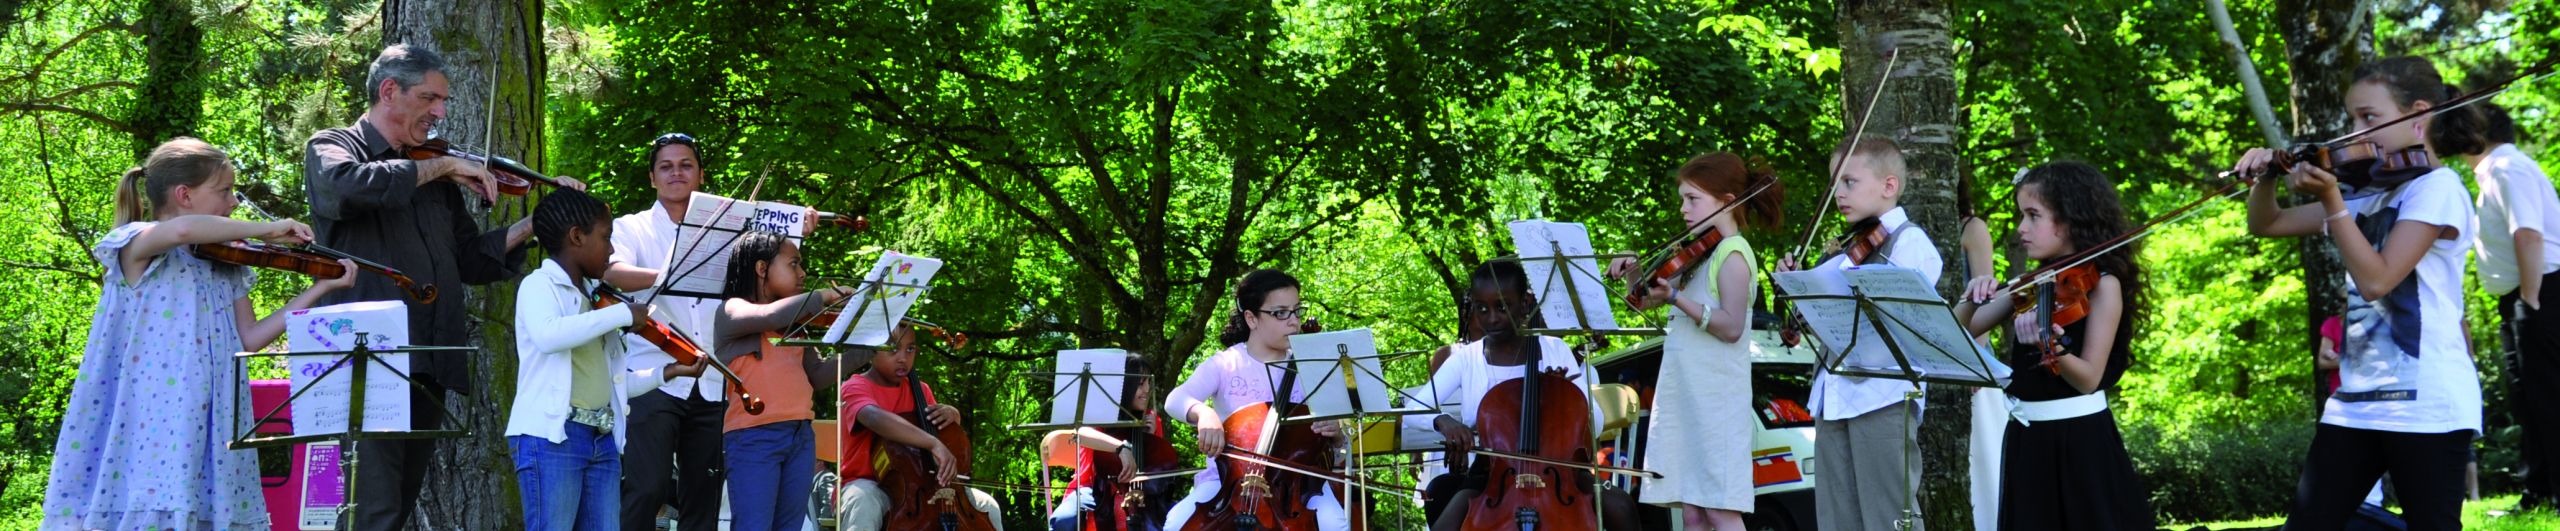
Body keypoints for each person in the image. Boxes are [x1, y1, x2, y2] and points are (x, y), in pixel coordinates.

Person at [301, 43, 585, 529]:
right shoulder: (334, 145)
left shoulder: (433, 175)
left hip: (427, 356)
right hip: (363, 358)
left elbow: (470, 261)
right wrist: (445, 166)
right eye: (430, 98)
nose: (440, 112)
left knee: (400, 503)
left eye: (444, 101)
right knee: (372, 509)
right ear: (389, 91)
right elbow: (347, 187)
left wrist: (533, 226)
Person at [43, 138, 357, 530]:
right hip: (153, 420)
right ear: (184, 195)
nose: (234, 202)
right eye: (224, 191)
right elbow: (183, 230)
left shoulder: (227, 263)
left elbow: (250, 338)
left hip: (214, 416)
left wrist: (319, 289)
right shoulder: (139, 244)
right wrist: (271, 228)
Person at [2232, 55, 2479, 531]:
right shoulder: (2366, 191)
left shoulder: (2438, 187)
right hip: (2358, 401)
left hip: (2427, 400)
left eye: (2370, 117)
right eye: (2351, 118)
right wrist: (2266, 177)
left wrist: (2332, 201)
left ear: (2419, 116)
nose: (2353, 131)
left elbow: (2378, 279)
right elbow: (2270, 223)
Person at [1955, 161, 2156, 530]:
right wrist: (1973, 295)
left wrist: (2053, 350)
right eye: (2021, 215)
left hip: (2079, 442)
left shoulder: (2103, 284)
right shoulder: (2030, 283)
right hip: (2027, 438)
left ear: (2071, 218)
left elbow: (2089, 379)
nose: (2021, 229)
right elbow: (1954, 333)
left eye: (2033, 216)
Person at [505, 188, 708, 530]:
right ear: (576, 237)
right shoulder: (539, 285)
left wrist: (667, 372)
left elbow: (612, 383)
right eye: (606, 237)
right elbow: (549, 335)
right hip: (553, 439)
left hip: (601, 438)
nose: (612, 249)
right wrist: (623, 315)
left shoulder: (597, 300)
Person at [1605, 151, 1784, 531]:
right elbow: (1645, 297)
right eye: (1683, 199)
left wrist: (1676, 298)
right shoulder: (1701, 254)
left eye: (1693, 199)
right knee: (1691, 511)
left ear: (1727, 201)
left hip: (1716, 398)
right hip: (1688, 392)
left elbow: (1732, 327)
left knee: (1719, 508)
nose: (1684, 209)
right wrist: (1634, 270)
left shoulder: (1734, 253)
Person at [1779, 136, 1944, 531]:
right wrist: (1800, 290)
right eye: (1835, 184)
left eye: (1849, 182)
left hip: (1882, 395)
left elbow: (1892, 323)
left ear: (1889, 186)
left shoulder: (1910, 243)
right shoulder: (1846, 248)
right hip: (1833, 394)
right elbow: (1827, 325)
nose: (1839, 193)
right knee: (1838, 520)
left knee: (1889, 516)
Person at [2429, 101, 2559, 516]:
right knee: (2528, 399)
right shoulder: (2494, 171)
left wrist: (2531, 299)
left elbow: (2529, 234)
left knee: (2548, 396)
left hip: (2541, 290)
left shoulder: (2505, 168)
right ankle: (2537, 492)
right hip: (2524, 295)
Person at [1413, 260, 1601, 530]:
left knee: (1619, 506)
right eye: (1482, 308)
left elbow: (1599, 421)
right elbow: (1410, 410)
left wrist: (1564, 397)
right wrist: (1443, 420)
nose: (1492, 318)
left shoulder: (1554, 349)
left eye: (1502, 307)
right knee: (1446, 523)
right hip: (1493, 474)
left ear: (1525, 304)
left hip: (1559, 471)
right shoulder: (1466, 359)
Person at [1160, 269, 1353, 531]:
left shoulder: (1314, 368)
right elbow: (1175, 399)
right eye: (1280, 313)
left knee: (1335, 524)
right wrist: (1203, 414)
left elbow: (1342, 447)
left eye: (1297, 310)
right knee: (1175, 524)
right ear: (1251, 318)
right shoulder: (1227, 363)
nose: (1294, 321)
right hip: (1227, 484)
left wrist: (1336, 435)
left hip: (1297, 488)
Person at [606, 133, 732, 531]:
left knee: (704, 496)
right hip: (654, 375)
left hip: (712, 377)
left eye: (686, 165)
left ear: (700, 174)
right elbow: (612, 273)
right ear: (652, 178)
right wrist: (670, 274)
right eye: (666, 166)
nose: (676, 173)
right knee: (647, 487)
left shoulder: (727, 230)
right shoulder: (631, 227)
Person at [712, 231, 849, 531]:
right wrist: (823, 296)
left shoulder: (794, 325)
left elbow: (819, 375)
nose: (802, 273)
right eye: (794, 264)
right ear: (762, 269)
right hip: (753, 438)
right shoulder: (731, 310)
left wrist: (867, 347)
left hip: (800, 436)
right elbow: (767, 315)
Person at [835, 321, 1006, 530]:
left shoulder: (921, 390)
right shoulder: (854, 387)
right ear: (870, 349)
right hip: (867, 482)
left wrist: (953, 415)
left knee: (986, 504)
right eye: (892, 348)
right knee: (863, 501)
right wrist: (932, 443)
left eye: (910, 349)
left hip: (922, 484)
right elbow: (874, 417)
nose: (903, 358)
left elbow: (943, 436)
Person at [1046, 352, 1172, 531]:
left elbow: (1156, 469)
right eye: (1140, 384)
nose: (1147, 390)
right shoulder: (1102, 414)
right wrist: (1120, 448)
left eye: (1148, 383)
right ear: (1126, 385)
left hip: (1141, 491)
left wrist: (1150, 438)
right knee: (1064, 520)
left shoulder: (1151, 419)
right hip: (1094, 487)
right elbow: (1082, 433)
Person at [1957, 169, 2004, 531]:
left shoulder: (1972, 227)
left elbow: (1985, 298)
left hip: (1969, 353)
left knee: (1983, 458)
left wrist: (1974, 364)